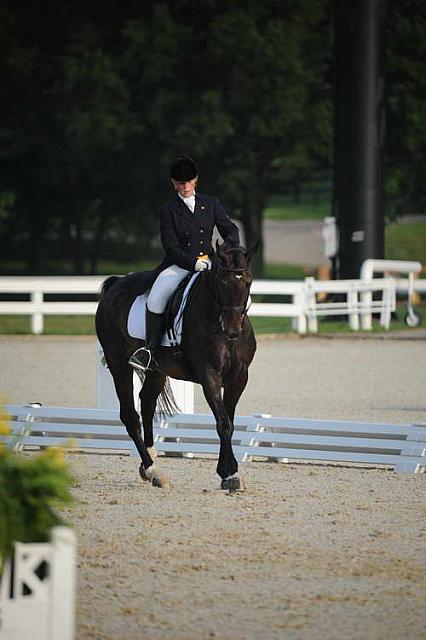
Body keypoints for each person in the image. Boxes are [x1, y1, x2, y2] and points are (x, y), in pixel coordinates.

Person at [129, 156, 240, 372]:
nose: (185, 187)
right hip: (179, 266)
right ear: (174, 184)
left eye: (189, 182)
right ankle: (149, 351)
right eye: (180, 183)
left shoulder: (211, 204)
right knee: (156, 297)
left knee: (236, 291)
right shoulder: (168, 210)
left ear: (196, 180)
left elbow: (231, 230)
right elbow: (170, 246)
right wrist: (193, 263)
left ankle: (239, 339)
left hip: (210, 263)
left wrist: (224, 254)